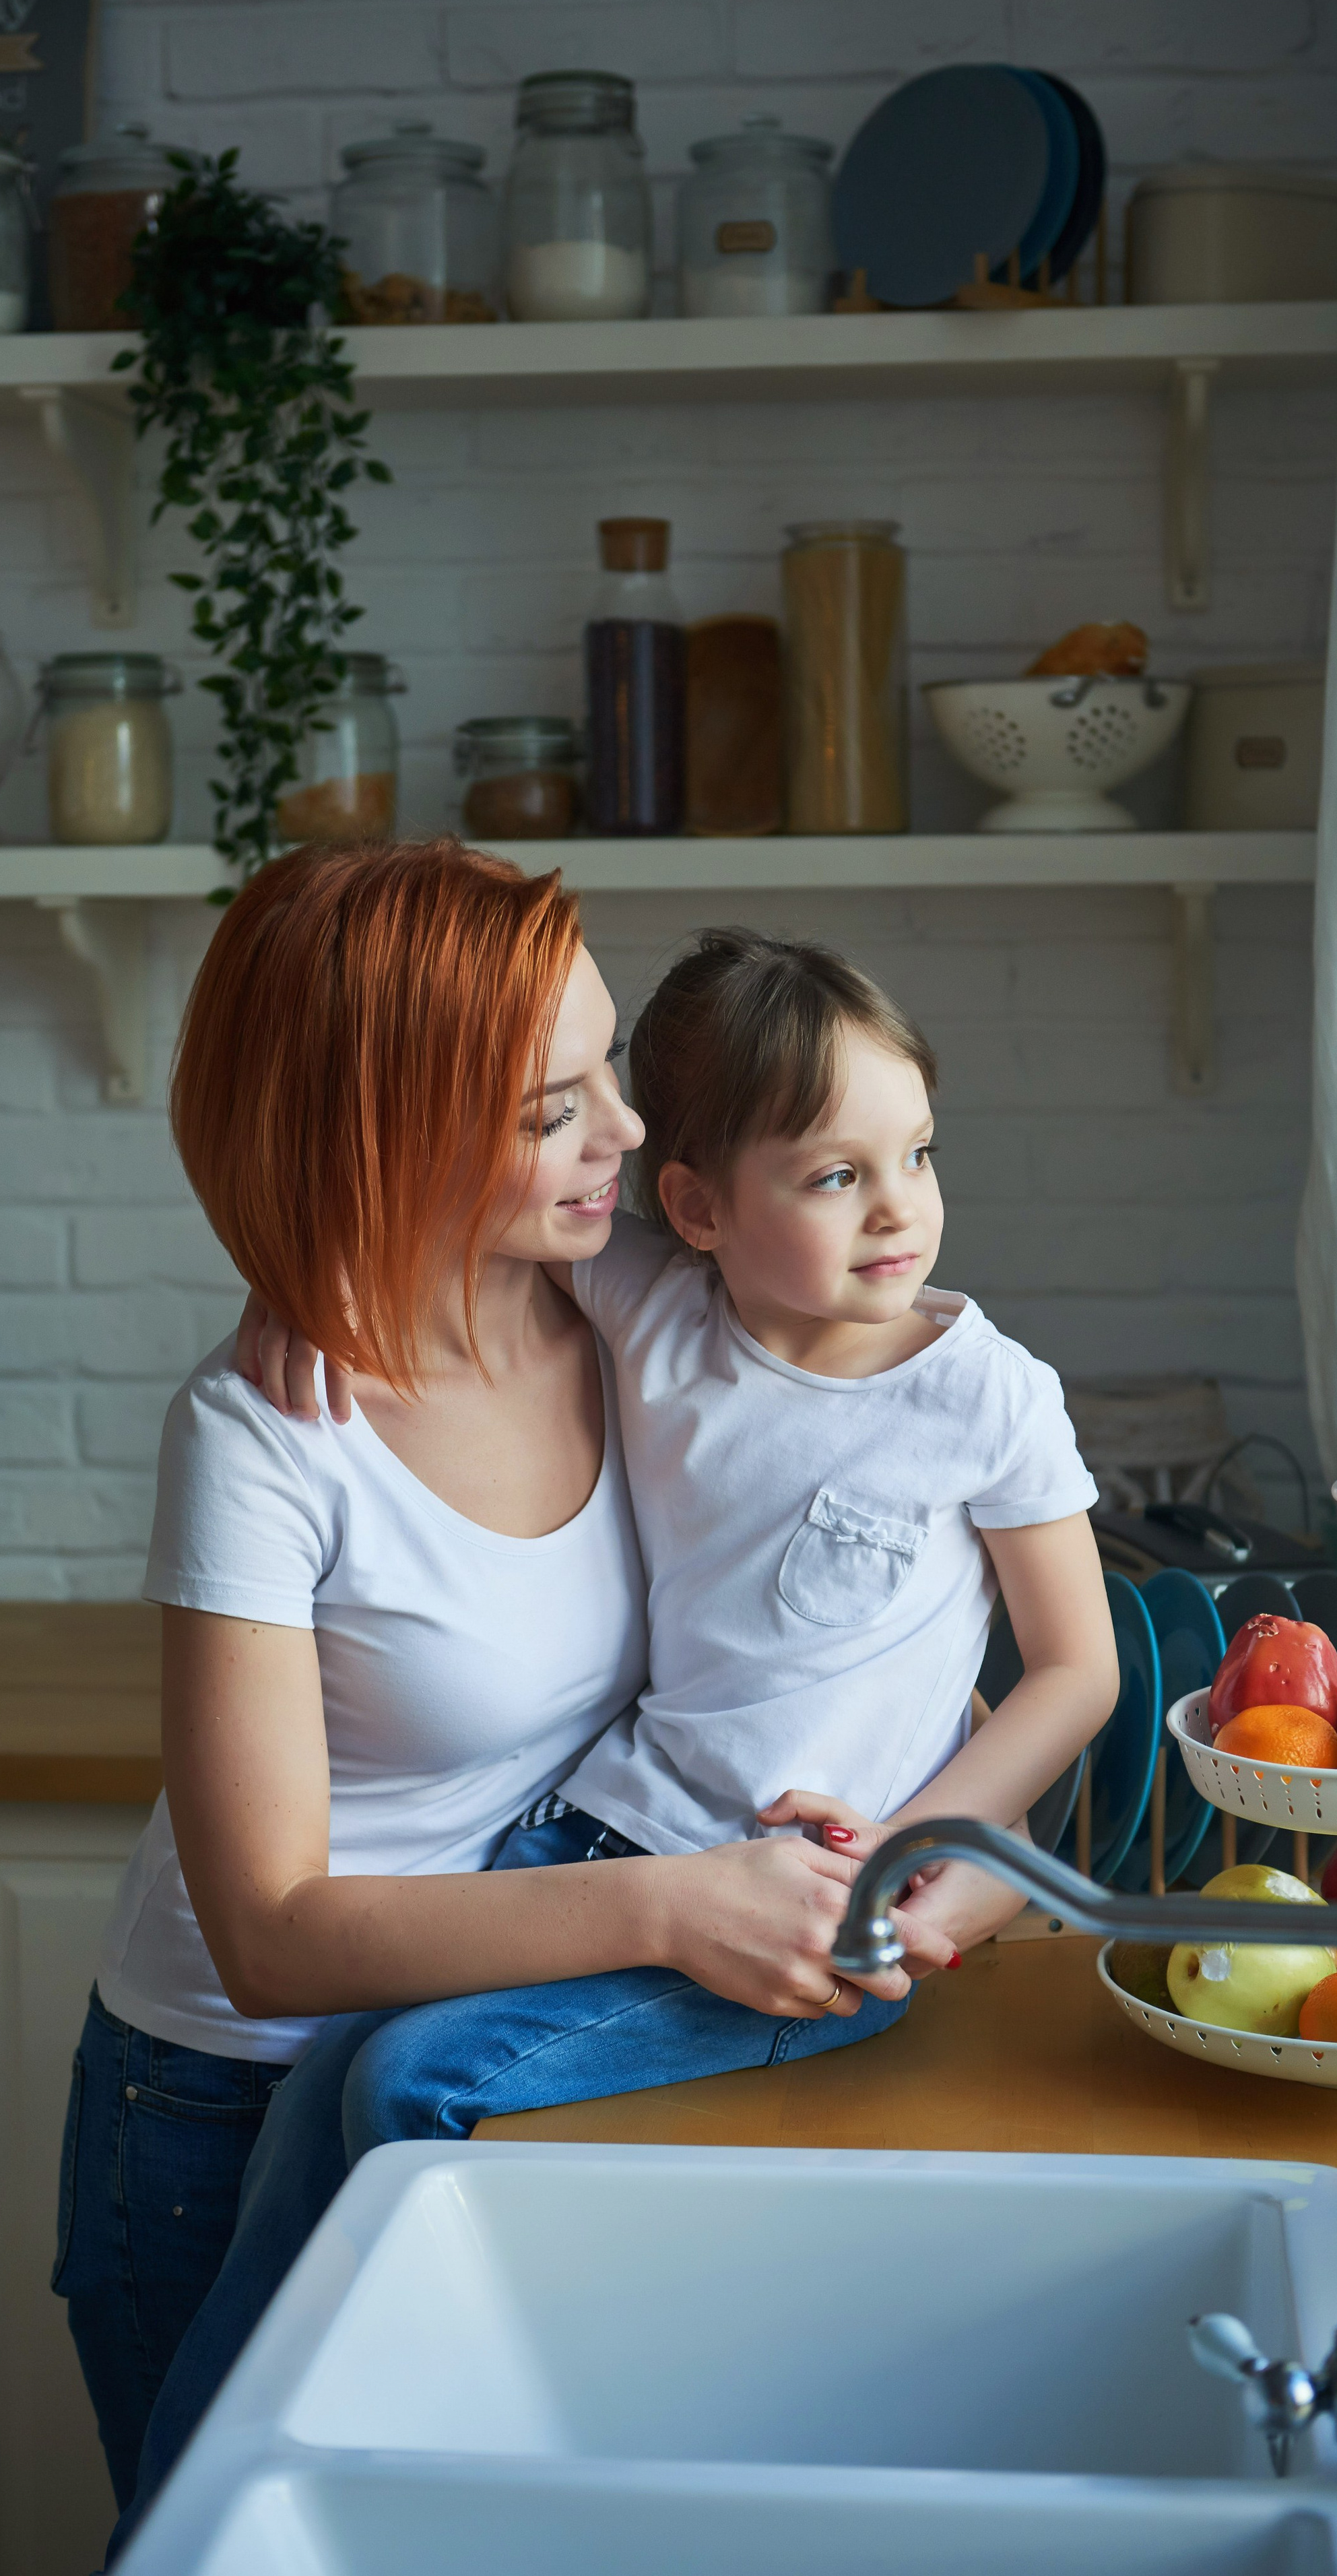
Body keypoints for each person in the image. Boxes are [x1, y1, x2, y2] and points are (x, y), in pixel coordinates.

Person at [58, 849, 936, 2567]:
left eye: (606, 1065)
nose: (624, 1130)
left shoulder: (612, 1304)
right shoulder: (259, 1435)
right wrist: (672, 1904)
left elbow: (874, 1468)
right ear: (382, 1129)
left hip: (485, 2048)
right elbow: (271, 1936)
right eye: (556, 1107)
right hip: (230, 2107)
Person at [176, 923, 1115, 2479]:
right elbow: (420, 1209)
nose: (901, 1209)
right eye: (830, 1176)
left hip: (808, 1903)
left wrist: (905, 1846)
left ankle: (342, 2470)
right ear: (693, 1208)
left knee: (414, 2079)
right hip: (604, 1848)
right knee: (325, 2080)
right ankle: (219, 2486)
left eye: (917, 1154)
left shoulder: (981, 1391)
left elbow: (1073, 1668)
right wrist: (305, 1284)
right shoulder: (652, 1305)